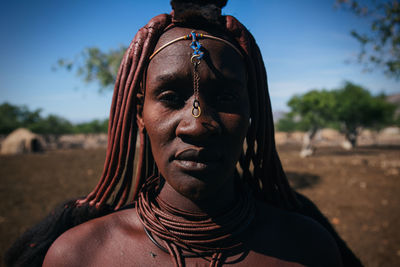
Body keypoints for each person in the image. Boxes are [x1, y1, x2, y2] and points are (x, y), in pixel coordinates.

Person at [5, 1, 362, 266]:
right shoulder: (79, 255)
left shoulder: (307, 249)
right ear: (138, 115)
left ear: (253, 114)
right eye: (171, 97)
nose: (196, 124)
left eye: (225, 98)